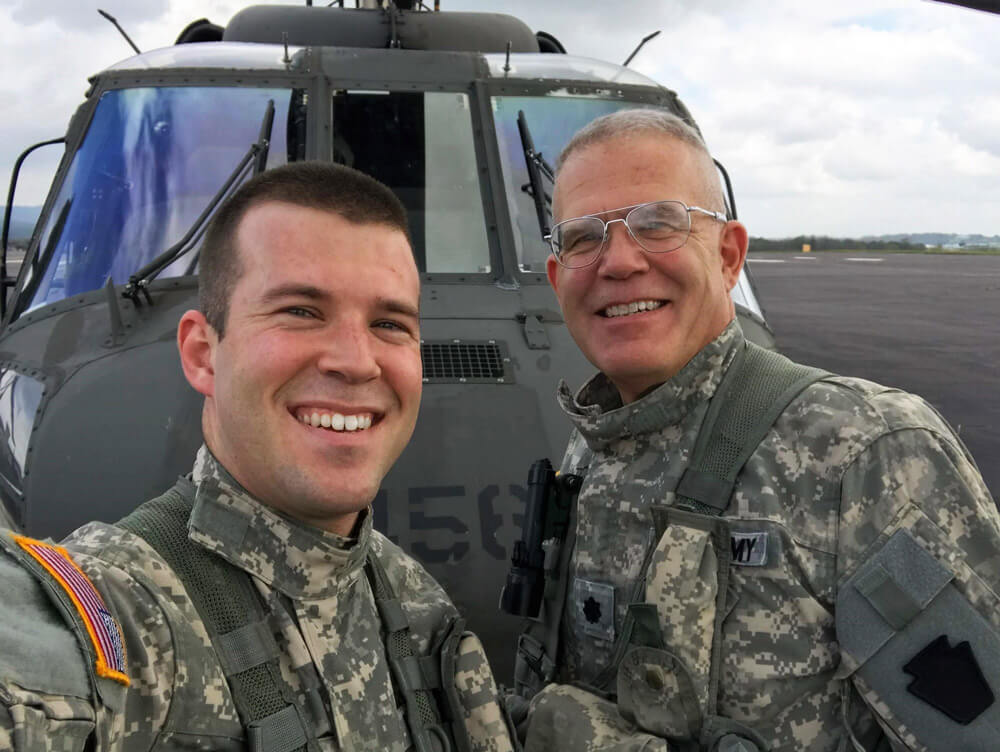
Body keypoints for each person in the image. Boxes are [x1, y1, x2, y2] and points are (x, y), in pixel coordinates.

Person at [509, 110, 1000, 752]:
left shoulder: (865, 452)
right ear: (557, 279)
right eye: (582, 238)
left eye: (657, 224)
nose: (619, 261)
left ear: (729, 255)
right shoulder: (594, 450)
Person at [0, 162, 513, 752]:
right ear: (201, 353)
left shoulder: (413, 602)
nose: (356, 360)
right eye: (300, 311)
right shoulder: (120, 613)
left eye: (389, 323)